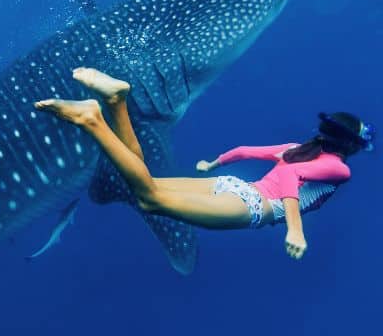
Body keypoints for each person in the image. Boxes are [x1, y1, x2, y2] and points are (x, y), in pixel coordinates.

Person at [35, 68, 374, 260]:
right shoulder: (340, 169)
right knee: (148, 197)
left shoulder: (299, 147)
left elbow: (245, 150)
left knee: (141, 182)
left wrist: (213, 164)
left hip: (234, 186)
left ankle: (116, 102)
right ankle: (92, 119)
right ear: (352, 145)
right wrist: (295, 230)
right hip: (252, 207)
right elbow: (292, 177)